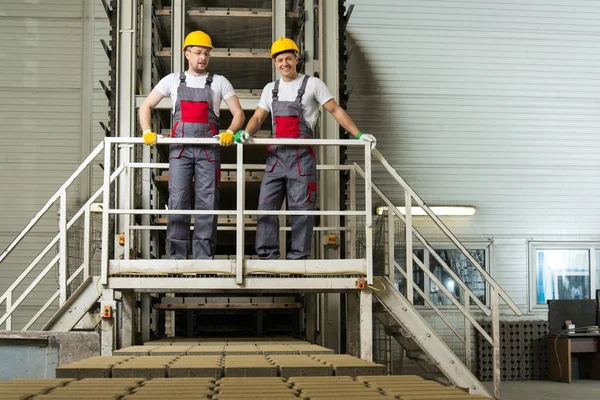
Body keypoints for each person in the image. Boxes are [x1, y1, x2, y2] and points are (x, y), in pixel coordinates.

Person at [235, 37, 376, 260]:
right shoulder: (270, 89)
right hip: (276, 157)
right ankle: (267, 258)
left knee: (301, 210)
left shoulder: (312, 84)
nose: (284, 63)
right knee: (265, 207)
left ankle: (297, 258)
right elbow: (258, 117)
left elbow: (335, 110)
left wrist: (358, 134)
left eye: (288, 58)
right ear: (275, 62)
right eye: (280, 60)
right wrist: (246, 132)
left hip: (301, 159)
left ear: (296, 58)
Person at [138, 30, 244, 260]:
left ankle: (203, 257)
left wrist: (230, 132)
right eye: (197, 53)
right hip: (181, 150)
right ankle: (177, 256)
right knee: (178, 200)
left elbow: (238, 114)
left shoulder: (219, 82)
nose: (202, 58)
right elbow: (145, 106)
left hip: (209, 149)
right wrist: (147, 131)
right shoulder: (173, 80)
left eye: (206, 53)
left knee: (208, 201)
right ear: (187, 54)